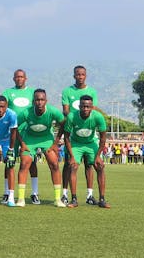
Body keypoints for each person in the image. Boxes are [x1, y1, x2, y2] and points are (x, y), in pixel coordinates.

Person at [15, 89, 66, 207]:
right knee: (24, 163)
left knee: (54, 163)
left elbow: (63, 123)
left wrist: (55, 143)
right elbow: (14, 126)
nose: (39, 102)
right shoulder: (26, 113)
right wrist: (22, 143)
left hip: (46, 139)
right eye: (37, 100)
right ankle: (21, 199)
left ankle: (58, 199)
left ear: (46, 101)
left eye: (42, 100)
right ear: (33, 101)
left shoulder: (52, 111)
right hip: (30, 139)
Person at [61, 65, 99, 206]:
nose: (80, 76)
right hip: (73, 131)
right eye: (78, 74)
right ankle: (65, 194)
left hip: (88, 134)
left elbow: (92, 111)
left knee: (89, 165)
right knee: (69, 164)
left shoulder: (92, 92)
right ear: (74, 76)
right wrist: (74, 118)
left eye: (82, 74)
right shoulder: (67, 91)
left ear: (86, 75)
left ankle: (90, 195)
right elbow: (65, 111)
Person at [64, 95, 110, 208]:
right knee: (73, 166)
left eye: (88, 107)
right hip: (76, 143)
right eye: (83, 106)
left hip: (91, 143)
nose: (85, 109)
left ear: (92, 107)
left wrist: (98, 156)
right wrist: (72, 156)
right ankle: (74, 199)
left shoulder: (98, 117)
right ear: (79, 107)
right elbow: (66, 137)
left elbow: (103, 138)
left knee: (100, 166)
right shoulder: (72, 117)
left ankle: (102, 199)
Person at [3, 69, 40, 205]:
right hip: (12, 132)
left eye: (21, 77)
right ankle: (7, 192)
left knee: (31, 163)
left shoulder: (32, 93)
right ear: (13, 79)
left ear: (26, 78)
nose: (19, 79)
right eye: (17, 77)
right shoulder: (8, 93)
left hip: (28, 134)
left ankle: (34, 193)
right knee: (9, 161)